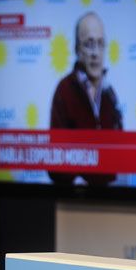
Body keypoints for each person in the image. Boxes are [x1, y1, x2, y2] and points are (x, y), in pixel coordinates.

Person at [49, 11, 122, 185]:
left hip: (113, 197)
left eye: (100, 43)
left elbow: (120, 151)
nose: (96, 53)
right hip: (72, 199)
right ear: (77, 49)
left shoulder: (110, 94)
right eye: (89, 44)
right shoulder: (64, 90)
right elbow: (55, 159)